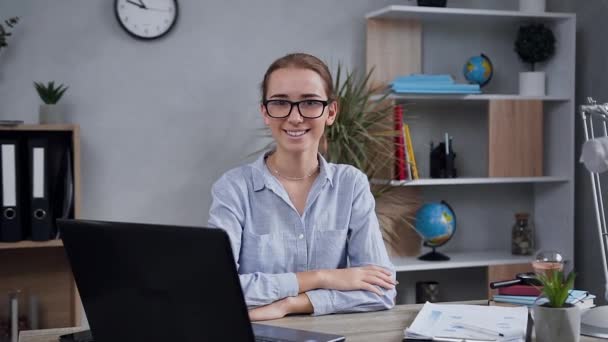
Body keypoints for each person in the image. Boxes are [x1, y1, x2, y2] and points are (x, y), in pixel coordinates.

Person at [208, 53, 396, 321]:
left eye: (309, 102)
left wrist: (292, 304)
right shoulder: (233, 189)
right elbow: (217, 288)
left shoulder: (351, 185)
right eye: (280, 102)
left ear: (331, 112)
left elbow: (382, 289)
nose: (295, 117)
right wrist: (322, 277)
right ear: (265, 112)